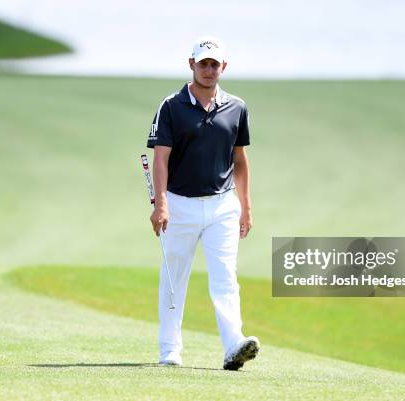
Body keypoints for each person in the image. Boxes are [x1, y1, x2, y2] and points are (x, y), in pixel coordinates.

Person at [146, 35, 260, 371]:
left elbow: (240, 160)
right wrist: (161, 203)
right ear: (191, 64)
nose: (209, 70)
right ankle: (169, 351)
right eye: (203, 63)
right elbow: (161, 158)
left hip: (223, 206)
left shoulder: (236, 107)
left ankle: (233, 344)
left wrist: (246, 206)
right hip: (179, 205)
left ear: (223, 67)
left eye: (215, 64)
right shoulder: (171, 106)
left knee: (225, 276)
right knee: (173, 278)